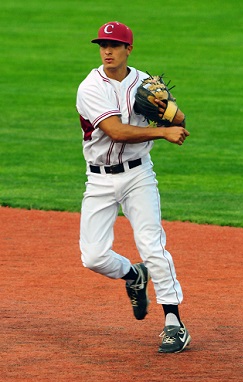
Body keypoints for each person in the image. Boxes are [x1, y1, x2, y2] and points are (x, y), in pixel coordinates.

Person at [76, 21, 191, 353]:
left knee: (152, 246)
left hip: (139, 176)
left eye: (114, 45)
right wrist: (162, 132)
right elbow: (116, 132)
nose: (107, 51)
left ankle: (173, 322)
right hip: (98, 179)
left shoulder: (145, 82)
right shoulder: (90, 87)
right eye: (102, 45)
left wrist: (173, 112)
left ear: (129, 49)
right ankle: (133, 276)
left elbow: (178, 122)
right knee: (94, 257)